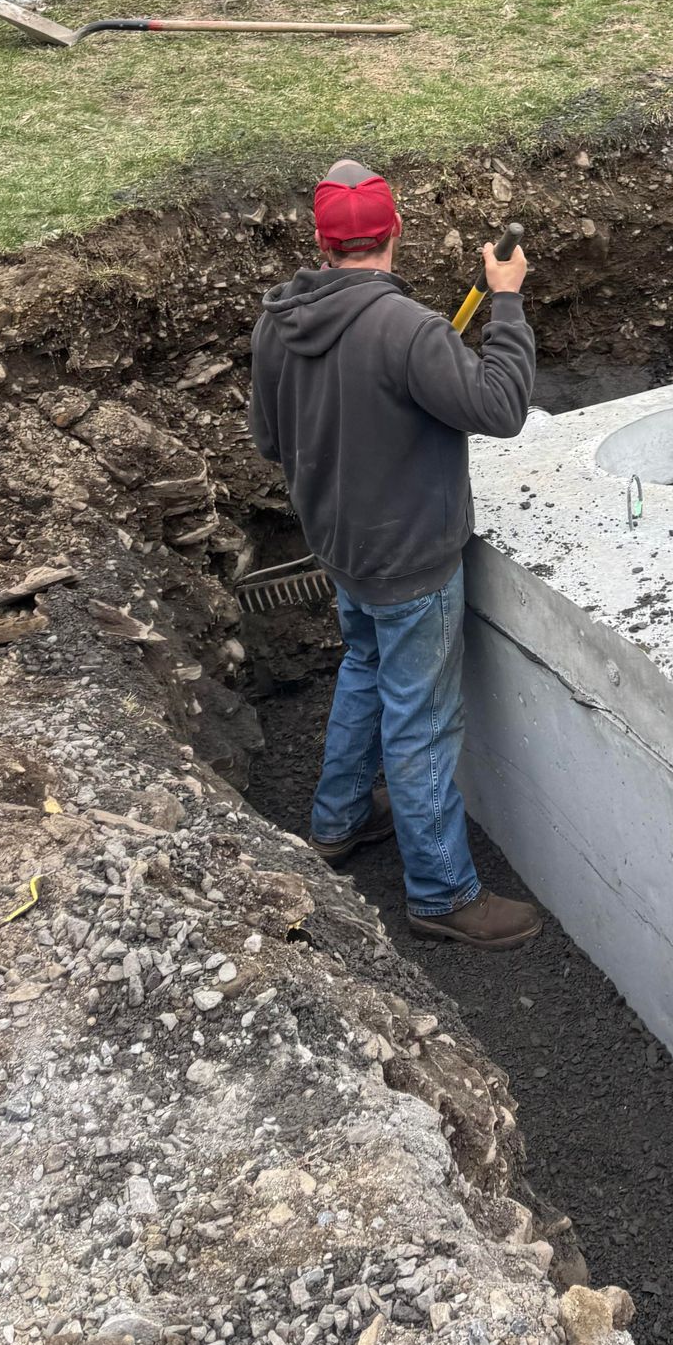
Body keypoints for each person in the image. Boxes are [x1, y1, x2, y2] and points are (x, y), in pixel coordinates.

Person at [250, 157, 541, 950]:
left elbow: (271, 440)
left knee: (366, 668)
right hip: (411, 561)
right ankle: (441, 893)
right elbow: (500, 405)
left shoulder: (278, 322)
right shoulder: (409, 330)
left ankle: (337, 822)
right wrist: (507, 300)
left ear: (320, 240)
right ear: (395, 231)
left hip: (341, 548)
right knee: (421, 720)